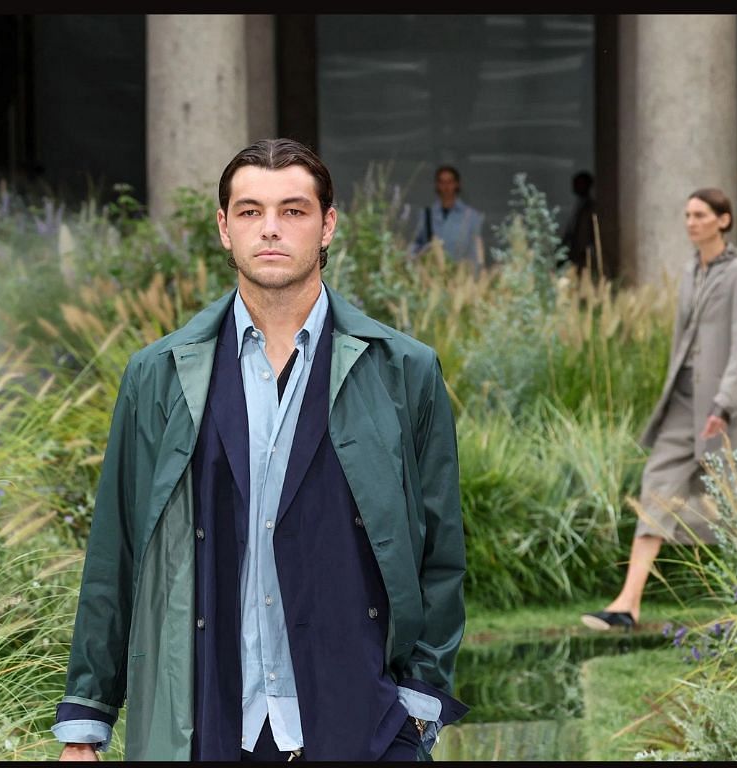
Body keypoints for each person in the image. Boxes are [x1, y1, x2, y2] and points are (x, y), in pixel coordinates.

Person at [53, 139, 470, 761]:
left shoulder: (401, 370)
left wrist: (419, 699)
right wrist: (87, 721)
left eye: (293, 211)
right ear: (224, 228)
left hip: (364, 722)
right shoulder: (160, 375)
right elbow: (114, 549)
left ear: (328, 224)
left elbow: (441, 550)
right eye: (250, 211)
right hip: (205, 719)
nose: (270, 229)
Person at [582, 187, 737, 632]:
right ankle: (627, 605)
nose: (691, 222)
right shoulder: (691, 270)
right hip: (681, 403)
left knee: (735, 506)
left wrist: (725, 404)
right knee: (656, 487)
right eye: (687, 215)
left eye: (700, 215)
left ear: (723, 221)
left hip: (721, 408)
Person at [411, 165, 486, 271]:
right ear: (437, 185)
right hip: (432, 276)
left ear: (456, 184)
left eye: (450, 182)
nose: (446, 187)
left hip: (461, 277)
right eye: (442, 182)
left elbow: (475, 253)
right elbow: (416, 245)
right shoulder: (426, 214)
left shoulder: (471, 216)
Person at [562, 171, 600, 279]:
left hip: (583, 253)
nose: (574, 186)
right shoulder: (579, 205)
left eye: (578, 183)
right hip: (575, 252)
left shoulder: (590, 207)